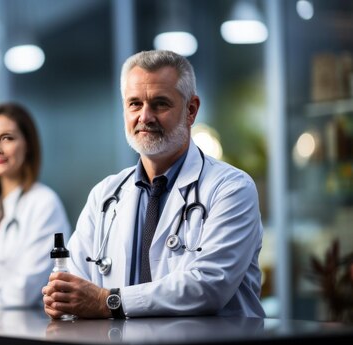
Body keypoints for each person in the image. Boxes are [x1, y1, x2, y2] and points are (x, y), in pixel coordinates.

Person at [42, 50, 265, 319]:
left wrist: (107, 301)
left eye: (160, 104)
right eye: (134, 104)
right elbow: (75, 283)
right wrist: (62, 299)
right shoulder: (105, 195)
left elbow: (209, 285)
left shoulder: (231, 188)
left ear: (191, 110)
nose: (145, 117)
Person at [0, 102, 71, 309]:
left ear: (28, 144)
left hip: (32, 328)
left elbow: (22, 292)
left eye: (7, 138)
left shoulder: (44, 203)